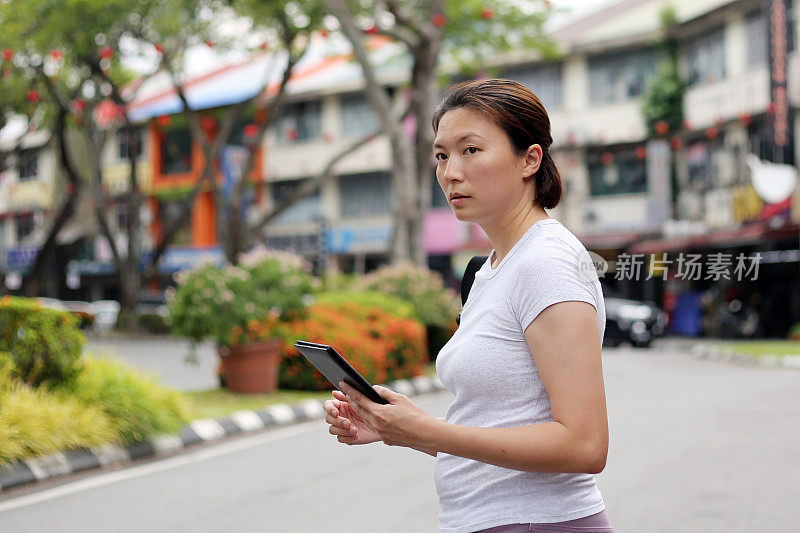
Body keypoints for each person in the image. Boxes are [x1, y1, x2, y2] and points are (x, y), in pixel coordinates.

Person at [323, 79, 614, 533]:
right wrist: (401, 427)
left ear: (529, 159)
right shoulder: (491, 270)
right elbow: (498, 427)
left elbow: (584, 445)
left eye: (471, 150)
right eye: (441, 155)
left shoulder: (547, 262)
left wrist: (425, 431)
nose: (450, 172)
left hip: (538, 522)